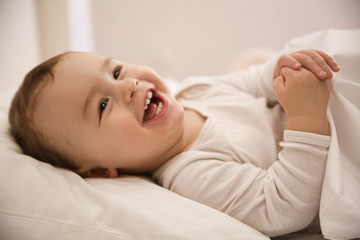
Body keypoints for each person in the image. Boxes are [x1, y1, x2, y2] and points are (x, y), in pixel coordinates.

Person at [8, 49, 340, 236]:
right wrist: (306, 118)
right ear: (98, 169)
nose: (128, 87)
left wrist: (285, 66)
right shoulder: (191, 173)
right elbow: (282, 205)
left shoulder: (194, 90)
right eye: (102, 106)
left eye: (117, 72)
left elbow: (256, 80)